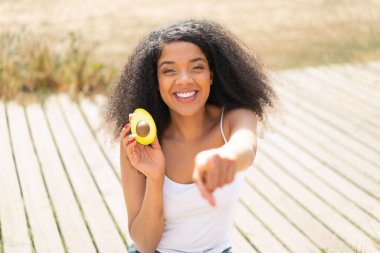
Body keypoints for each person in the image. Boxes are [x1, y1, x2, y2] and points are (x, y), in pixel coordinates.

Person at [105, 19, 276, 253]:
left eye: (196, 67)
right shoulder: (138, 144)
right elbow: (145, 245)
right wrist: (155, 177)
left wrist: (225, 157)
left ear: (212, 75)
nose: (184, 79)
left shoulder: (235, 118)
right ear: (155, 82)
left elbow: (245, 147)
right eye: (169, 70)